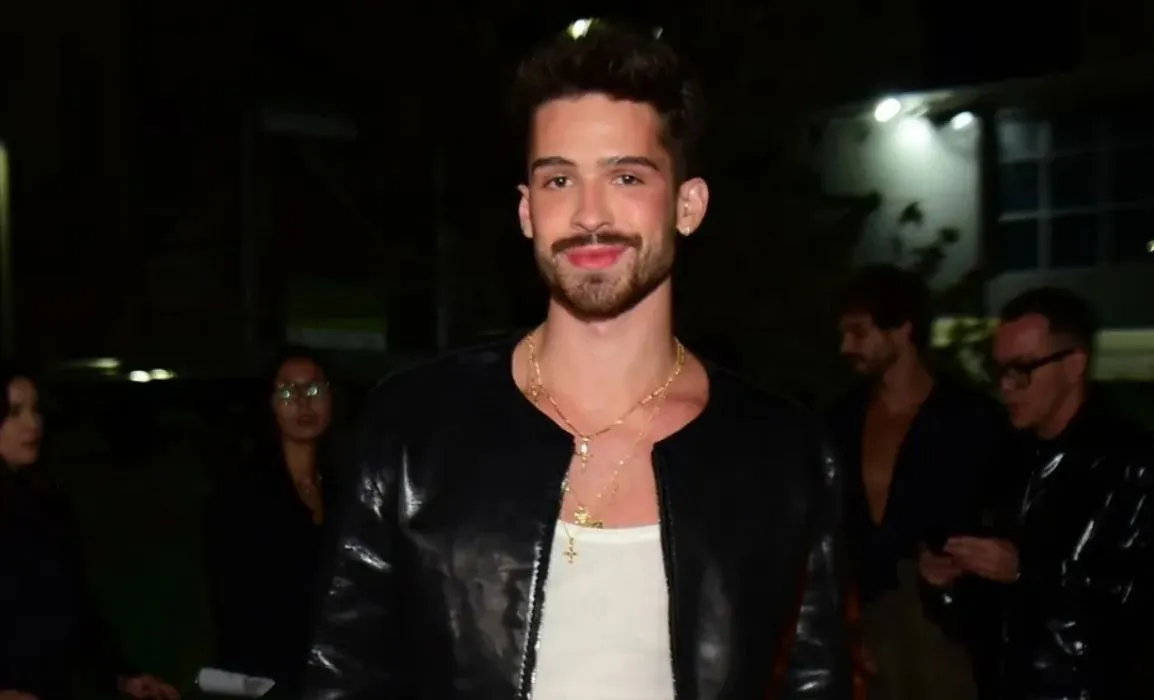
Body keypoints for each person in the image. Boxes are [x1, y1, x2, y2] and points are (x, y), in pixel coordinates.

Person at [302, 22, 848, 700]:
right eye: (560, 179)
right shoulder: (412, 428)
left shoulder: (783, 456)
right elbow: (339, 678)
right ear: (527, 211)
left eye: (626, 176)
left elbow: (815, 682)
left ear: (688, 205)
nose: (590, 215)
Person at [922, 286, 1154, 699]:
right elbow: (981, 620)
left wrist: (1026, 572)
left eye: (1022, 369)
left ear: (1073, 365)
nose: (1007, 387)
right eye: (999, 370)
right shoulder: (1003, 459)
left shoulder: (1135, 464)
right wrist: (947, 586)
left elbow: (1147, 603)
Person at [827, 265, 1011, 700]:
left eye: (859, 332)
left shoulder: (974, 421)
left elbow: (1005, 524)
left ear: (903, 328)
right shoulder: (839, 422)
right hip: (868, 633)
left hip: (950, 636)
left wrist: (957, 571)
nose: (846, 347)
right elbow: (832, 535)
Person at [0, 364, 178, 700]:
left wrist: (124, 676)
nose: (32, 423)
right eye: (14, 412)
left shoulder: (46, 504)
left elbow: (76, 610)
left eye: (36, 410)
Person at [206, 346, 342, 695]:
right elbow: (232, 603)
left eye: (314, 389)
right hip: (264, 676)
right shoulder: (243, 490)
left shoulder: (349, 485)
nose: (303, 402)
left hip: (335, 673)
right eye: (287, 391)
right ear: (268, 404)